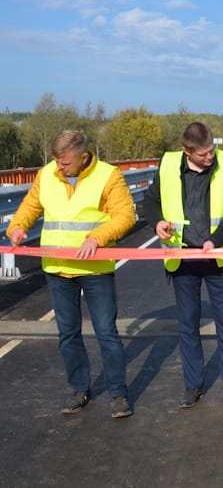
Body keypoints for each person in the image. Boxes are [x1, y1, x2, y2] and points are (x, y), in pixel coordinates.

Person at [6, 130, 135, 418]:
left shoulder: (108, 176)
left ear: (84, 156)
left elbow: (125, 215)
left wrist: (97, 237)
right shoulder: (47, 174)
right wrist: (16, 226)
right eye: (56, 161)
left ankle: (118, 394)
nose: (59, 167)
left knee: (107, 333)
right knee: (68, 335)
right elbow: (30, 206)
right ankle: (80, 390)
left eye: (65, 163)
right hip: (57, 268)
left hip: (94, 268)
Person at [142, 122, 223, 408]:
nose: (210, 157)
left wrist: (215, 240)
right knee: (188, 324)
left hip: (219, 257)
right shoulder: (167, 166)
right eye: (203, 154)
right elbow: (150, 202)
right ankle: (193, 385)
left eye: (211, 151)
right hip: (182, 258)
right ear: (186, 151)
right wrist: (157, 222)